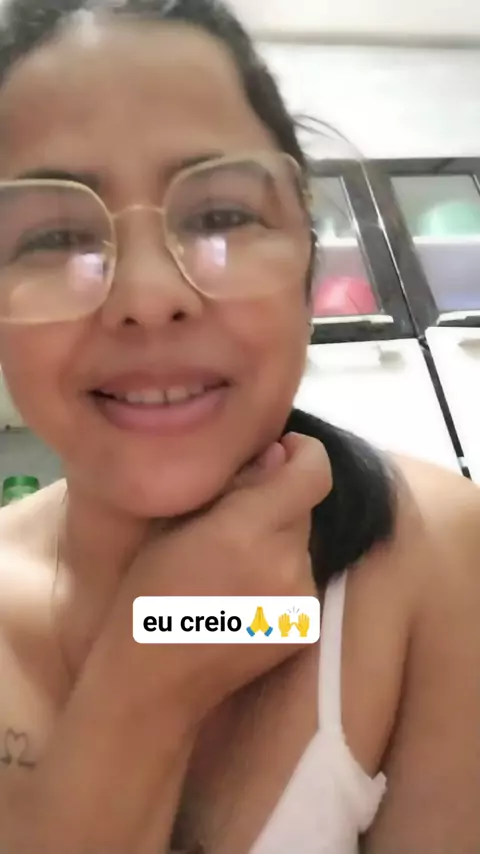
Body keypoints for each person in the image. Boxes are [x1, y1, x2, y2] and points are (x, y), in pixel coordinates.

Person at [0, 1, 478, 853]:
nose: (149, 299)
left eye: (220, 217)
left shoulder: (437, 549)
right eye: (57, 235)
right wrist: (146, 680)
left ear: (306, 254)